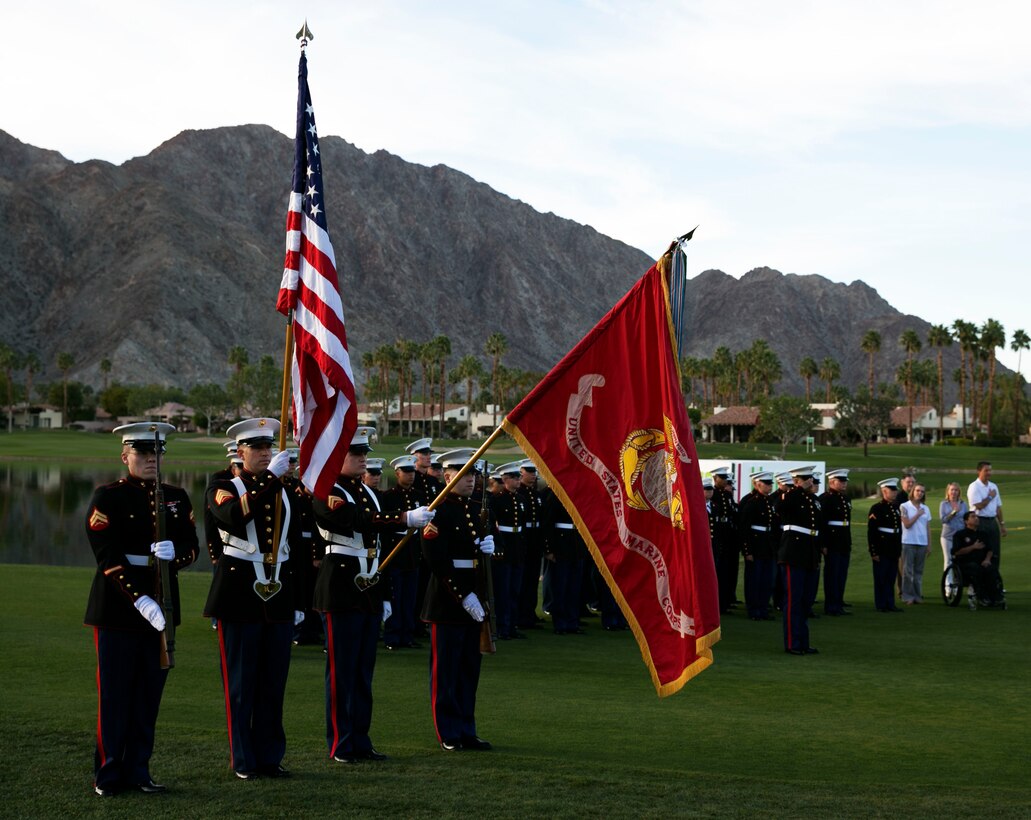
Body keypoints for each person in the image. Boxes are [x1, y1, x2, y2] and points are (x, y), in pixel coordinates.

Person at [85, 423, 199, 797]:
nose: (152, 460)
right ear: (125, 456)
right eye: (143, 454)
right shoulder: (109, 497)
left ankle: (138, 771)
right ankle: (108, 774)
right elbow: (107, 557)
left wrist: (176, 555)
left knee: (148, 696)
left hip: (163, 607)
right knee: (115, 696)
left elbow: (192, 546)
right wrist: (139, 598)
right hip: (119, 609)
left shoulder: (176, 497)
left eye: (157, 454)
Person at [312, 427, 435, 764]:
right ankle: (340, 742)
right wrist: (403, 518)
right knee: (342, 671)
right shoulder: (327, 489)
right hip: (340, 584)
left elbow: (377, 539)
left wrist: (383, 595)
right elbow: (353, 520)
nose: (363, 458)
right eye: (356, 453)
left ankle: (360, 739)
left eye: (364, 452)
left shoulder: (367, 492)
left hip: (367, 585)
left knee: (363, 670)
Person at [204, 417, 306, 780]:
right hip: (239, 595)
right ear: (240, 451)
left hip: (278, 595)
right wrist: (270, 479)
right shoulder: (223, 485)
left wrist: (299, 602)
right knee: (241, 685)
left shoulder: (283, 489)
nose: (265, 453)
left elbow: (298, 544)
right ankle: (244, 761)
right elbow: (231, 516)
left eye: (269, 447)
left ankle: (269, 757)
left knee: (272, 684)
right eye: (257, 448)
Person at [420, 449, 494, 751]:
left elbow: (476, 558)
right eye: (464, 475)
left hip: (474, 598)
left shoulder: (474, 508)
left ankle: (466, 728)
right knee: (446, 671)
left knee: (467, 671)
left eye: (474, 474)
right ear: (448, 477)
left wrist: (489, 549)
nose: (471, 480)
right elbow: (437, 561)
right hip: (448, 601)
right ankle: (447, 732)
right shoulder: (438, 510)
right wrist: (464, 596)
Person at [777, 465, 823, 655]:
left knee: (806, 600)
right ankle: (792, 643)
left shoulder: (813, 500)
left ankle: (803, 641)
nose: (810, 481)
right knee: (793, 600)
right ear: (796, 481)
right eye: (806, 479)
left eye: (811, 478)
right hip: (794, 552)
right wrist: (794, 490)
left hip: (810, 551)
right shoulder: (791, 496)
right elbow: (779, 509)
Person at [381, 455, 425, 650]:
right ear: (397, 473)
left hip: (412, 553)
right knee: (395, 596)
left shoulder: (419, 496)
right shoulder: (388, 496)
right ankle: (392, 636)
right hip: (395, 552)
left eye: (412, 472)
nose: (410, 475)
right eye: (406, 472)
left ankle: (407, 635)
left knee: (410, 598)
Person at [488, 462, 526, 640]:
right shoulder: (496, 500)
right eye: (515, 477)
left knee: (514, 590)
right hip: (503, 547)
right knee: (502, 591)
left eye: (519, 477)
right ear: (505, 480)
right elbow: (493, 526)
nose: (519, 480)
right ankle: (501, 626)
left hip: (516, 548)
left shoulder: (520, 499)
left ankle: (511, 625)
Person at [541, 487, 585, 634]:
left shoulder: (580, 494)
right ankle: (560, 623)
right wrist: (549, 549)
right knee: (560, 587)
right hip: (561, 546)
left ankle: (572, 622)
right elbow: (547, 522)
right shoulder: (556, 495)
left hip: (576, 545)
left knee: (574, 588)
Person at [739, 471, 777, 621]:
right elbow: (744, 529)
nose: (769, 487)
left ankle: (763, 608)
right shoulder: (752, 502)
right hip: (755, 546)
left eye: (770, 484)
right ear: (757, 484)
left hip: (767, 546)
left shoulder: (769, 502)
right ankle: (753, 609)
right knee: (754, 580)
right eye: (766, 484)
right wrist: (747, 550)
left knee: (766, 580)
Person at [951, 510, 1004, 609]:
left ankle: (996, 597)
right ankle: (982, 596)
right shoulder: (960, 535)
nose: (976, 518)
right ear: (966, 521)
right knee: (976, 569)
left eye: (976, 517)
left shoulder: (983, 534)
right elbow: (956, 552)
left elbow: (990, 549)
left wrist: (987, 559)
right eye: (973, 517)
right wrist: (973, 547)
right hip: (966, 562)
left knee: (992, 570)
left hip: (982, 561)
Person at [516, 459, 545, 630]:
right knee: (523, 580)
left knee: (532, 580)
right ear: (521, 473)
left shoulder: (536, 494)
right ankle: (521, 615)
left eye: (534, 472)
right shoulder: (520, 494)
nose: (533, 475)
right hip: (524, 540)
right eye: (529, 471)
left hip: (535, 540)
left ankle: (530, 613)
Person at [820, 468, 852, 616]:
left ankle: (838, 603)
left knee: (841, 574)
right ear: (832, 482)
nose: (844, 483)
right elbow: (822, 522)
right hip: (832, 541)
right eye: (841, 481)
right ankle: (831, 605)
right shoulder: (826, 498)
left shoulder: (845, 498)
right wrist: (824, 544)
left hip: (843, 540)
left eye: (845, 481)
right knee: (832, 574)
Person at [868, 478, 903, 613]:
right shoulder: (877, 508)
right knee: (881, 577)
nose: (895, 493)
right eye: (892, 491)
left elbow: (898, 530)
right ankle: (881, 603)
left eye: (895, 490)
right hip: (882, 547)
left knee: (890, 577)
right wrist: (874, 551)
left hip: (893, 547)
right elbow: (872, 532)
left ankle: (890, 602)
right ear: (884, 491)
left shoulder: (895, 508)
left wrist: (898, 548)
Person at [967, 461, 1007, 570]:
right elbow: (979, 506)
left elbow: (998, 507)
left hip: (992, 521)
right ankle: (977, 584)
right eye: (986, 470)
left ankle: (994, 582)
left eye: (990, 470)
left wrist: (1002, 524)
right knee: (981, 551)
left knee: (994, 550)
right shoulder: (974, 487)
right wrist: (990, 497)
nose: (989, 473)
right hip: (979, 521)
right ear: (979, 471)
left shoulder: (993, 486)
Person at [899, 483, 932, 604]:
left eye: (922, 491)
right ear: (912, 492)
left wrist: (929, 544)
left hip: (922, 543)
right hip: (908, 542)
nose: (920, 493)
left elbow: (927, 527)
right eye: (917, 490)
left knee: (918, 571)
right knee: (907, 571)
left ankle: (917, 596)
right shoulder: (904, 506)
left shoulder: (926, 508)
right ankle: (907, 596)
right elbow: (907, 524)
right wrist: (918, 514)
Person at [939, 482, 968, 578]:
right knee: (948, 560)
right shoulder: (944, 504)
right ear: (948, 491)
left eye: (956, 490)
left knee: (960, 560)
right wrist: (953, 513)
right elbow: (943, 520)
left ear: (959, 492)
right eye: (952, 490)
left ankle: (957, 584)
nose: (954, 492)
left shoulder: (963, 504)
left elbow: (966, 519)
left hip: (960, 536)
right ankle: (948, 586)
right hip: (947, 536)